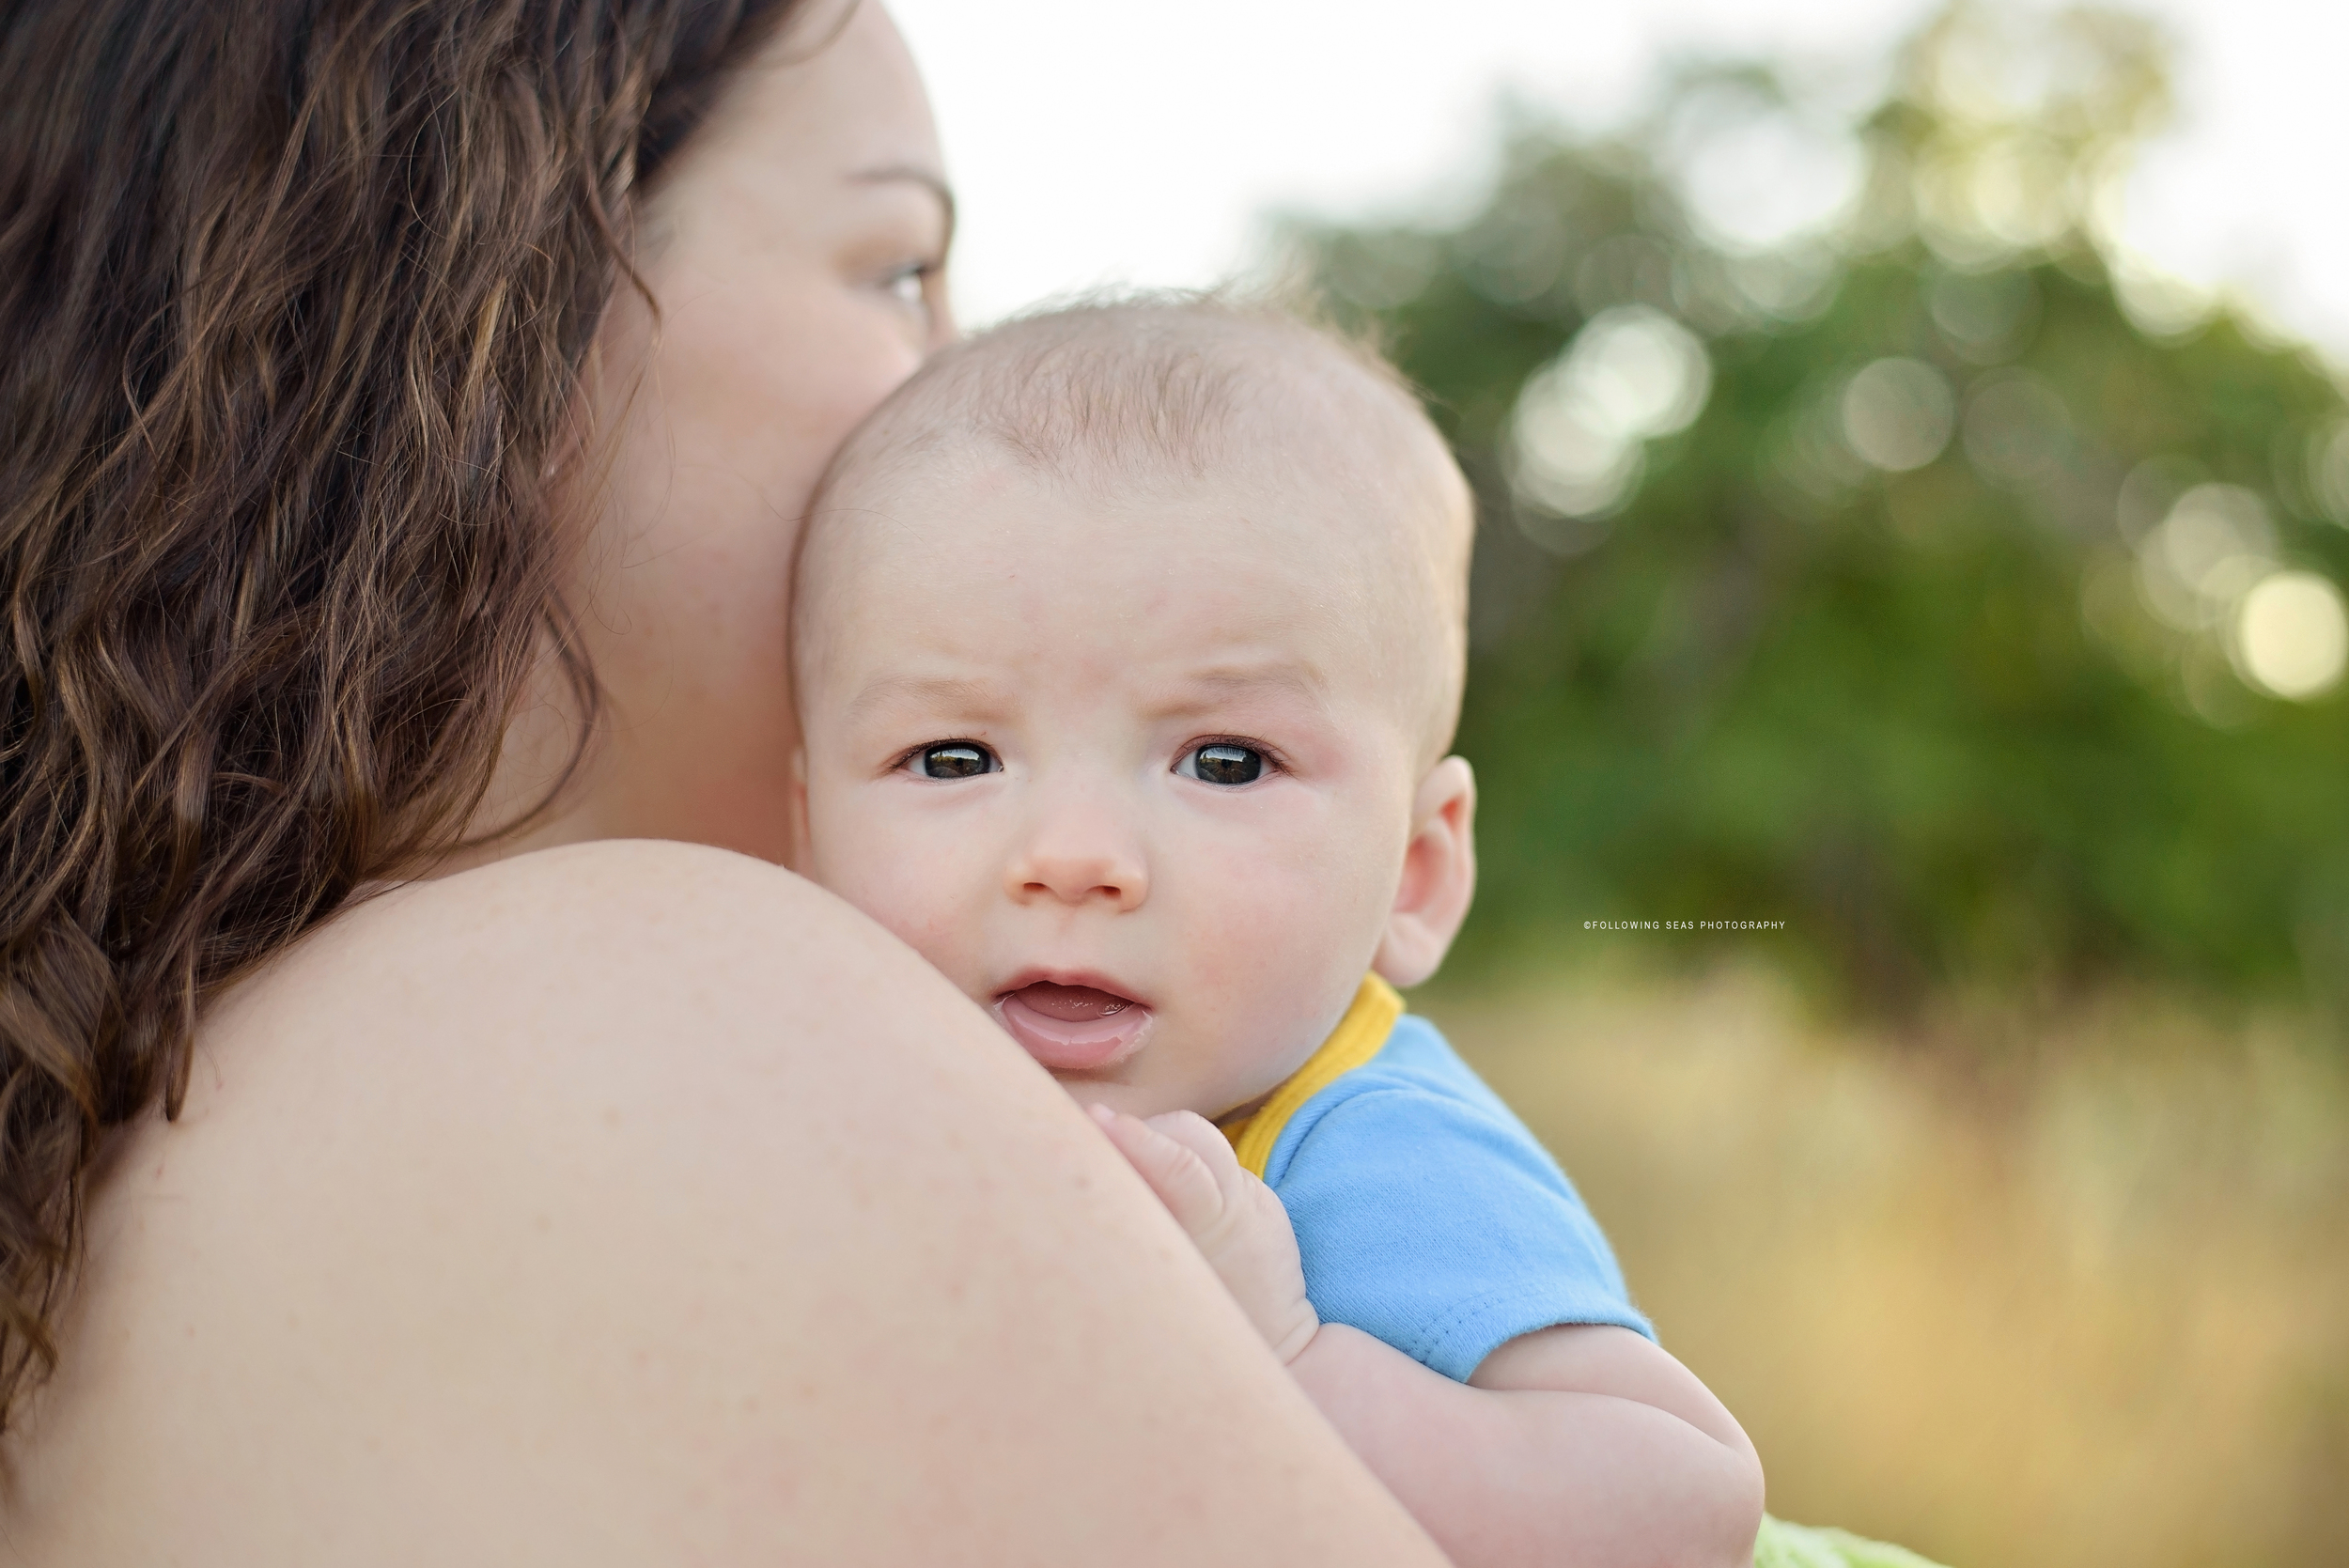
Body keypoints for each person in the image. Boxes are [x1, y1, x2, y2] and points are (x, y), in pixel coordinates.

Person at [0, 3, 1455, 1561]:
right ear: (503, 307)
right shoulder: (650, 1004)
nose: (966, 378)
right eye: (901, 269)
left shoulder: (111, 1105)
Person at [788, 297, 1768, 1568]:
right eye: (955, 753)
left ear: (1413, 873)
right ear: (805, 835)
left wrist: (1289, 1357)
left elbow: (1685, 1504)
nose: (1075, 856)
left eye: (1227, 760)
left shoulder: (1364, 1147)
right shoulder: (861, 1099)